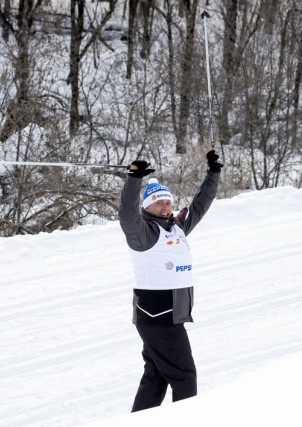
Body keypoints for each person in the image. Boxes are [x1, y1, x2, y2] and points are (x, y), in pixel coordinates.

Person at [119, 150, 222, 412]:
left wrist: (214, 173)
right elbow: (127, 215)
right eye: (158, 203)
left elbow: (201, 203)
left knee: (156, 377)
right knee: (184, 377)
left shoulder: (176, 227)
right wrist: (134, 179)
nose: (165, 206)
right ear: (147, 206)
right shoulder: (144, 233)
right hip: (158, 316)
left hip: (168, 315)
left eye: (167, 202)